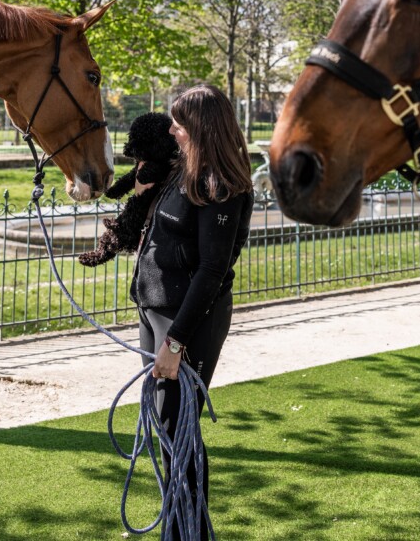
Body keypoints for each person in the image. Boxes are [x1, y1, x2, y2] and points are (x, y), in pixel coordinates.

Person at [132, 83, 254, 539]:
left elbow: (211, 271)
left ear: (201, 129)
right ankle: (178, 529)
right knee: (166, 430)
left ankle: (193, 534)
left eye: (179, 124)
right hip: (154, 310)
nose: (172, 130)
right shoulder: (180, 169)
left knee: (179, 429)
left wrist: (175, 342)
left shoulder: (221, 186)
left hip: (188, 321)